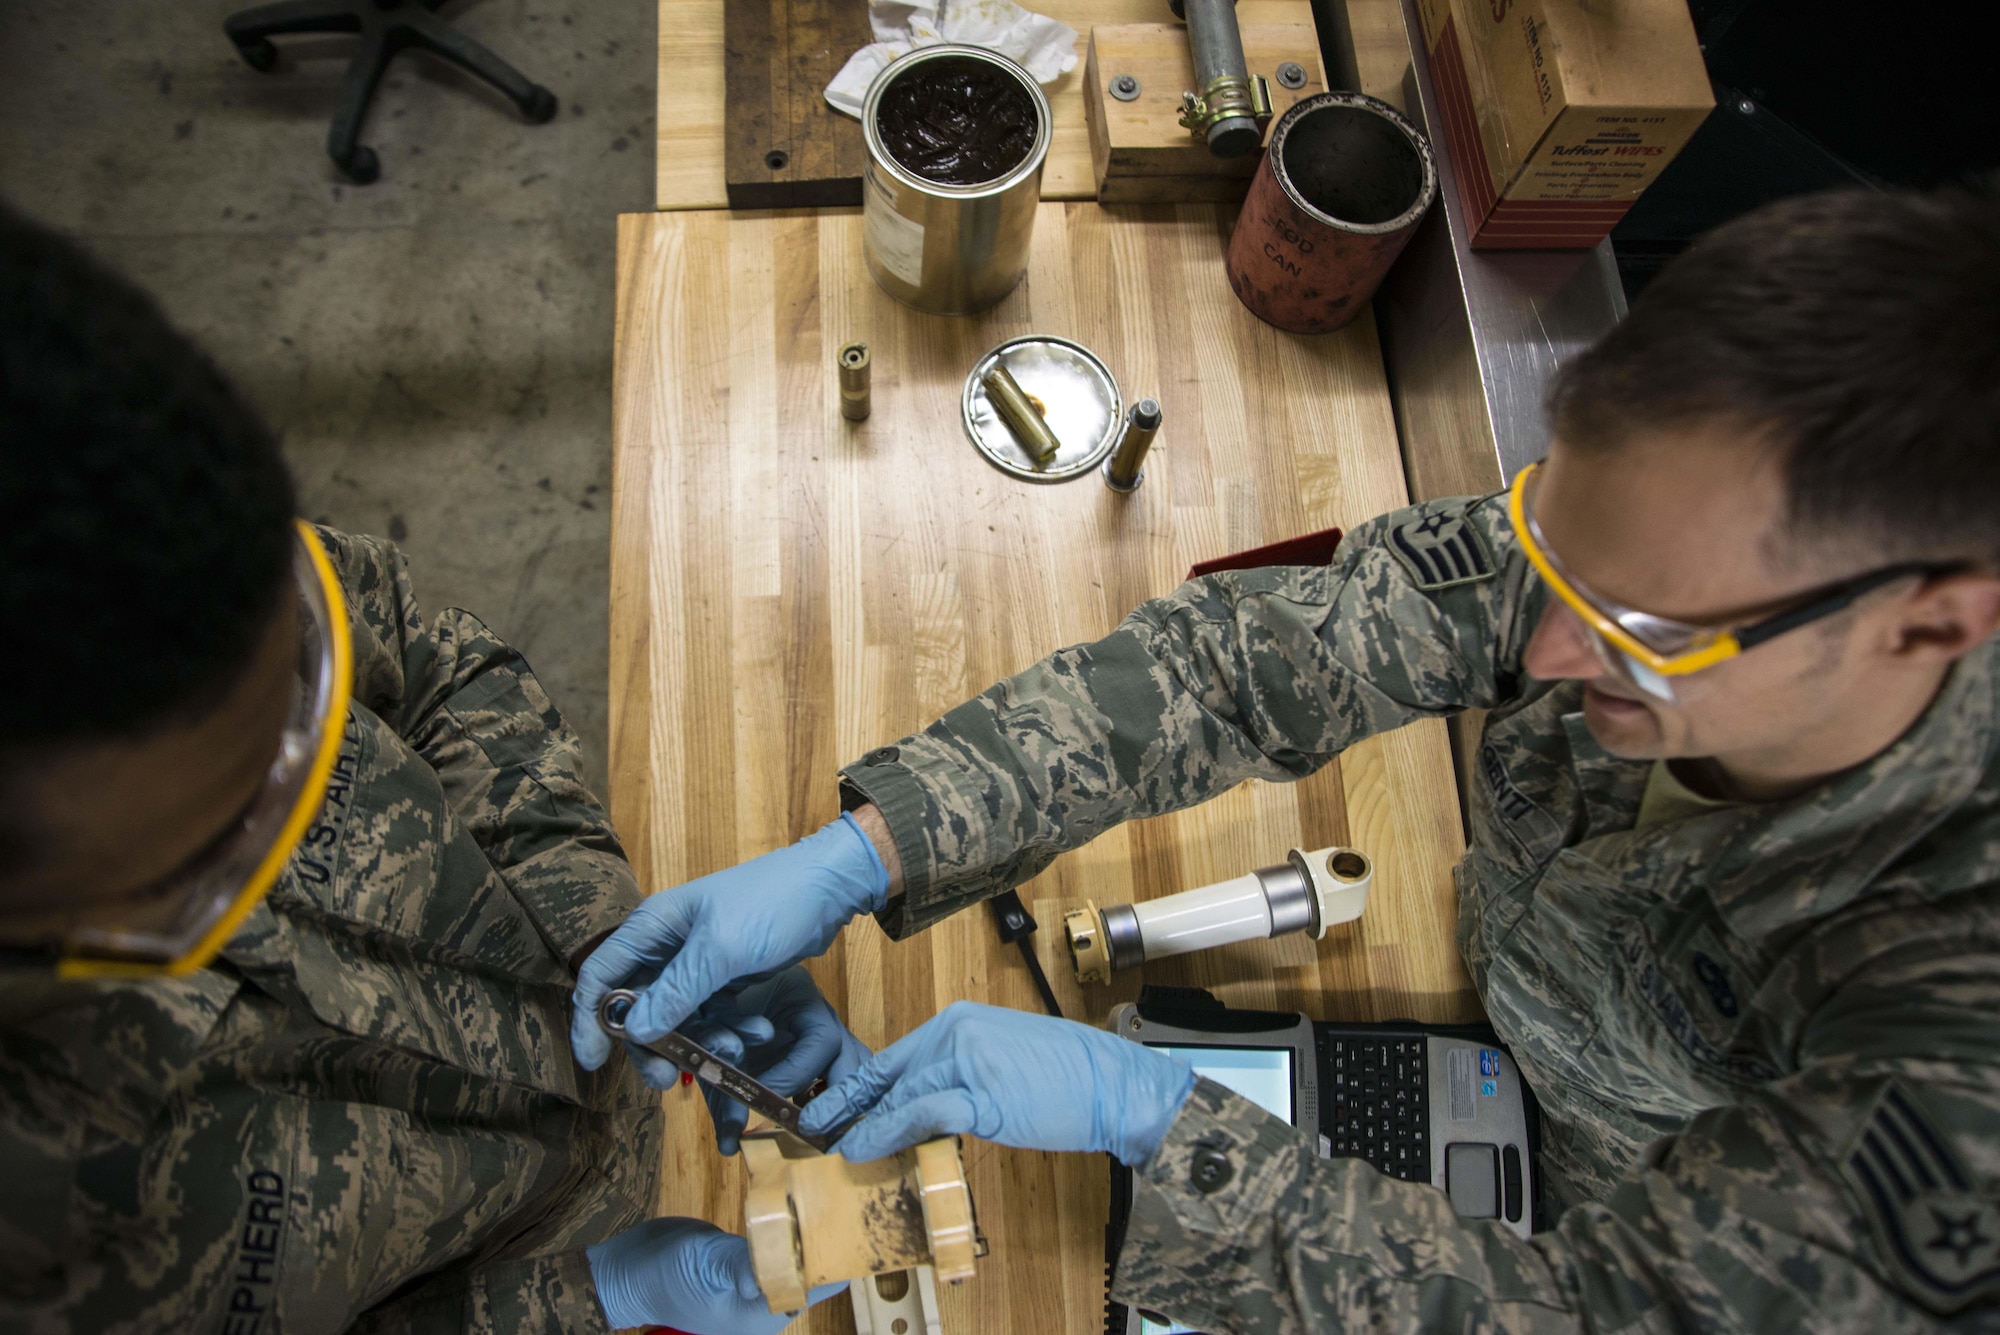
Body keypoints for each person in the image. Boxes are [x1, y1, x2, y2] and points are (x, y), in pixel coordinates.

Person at [576, 186, 2000, 1331]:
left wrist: (1155, 1120)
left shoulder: (1959, 1043)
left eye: (1642, 633)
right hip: (1510, 1005)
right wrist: (867, 848)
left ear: (1929, 621)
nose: (1552, 657)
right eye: (1548, 549)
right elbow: (1238, 663)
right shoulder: (1662, 543)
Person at [0, 204, 856, 1335]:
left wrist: (598, 926)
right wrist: (582, 1300)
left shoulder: (127, 514)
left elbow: (430, 662)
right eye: (212, 861)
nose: (292, 857)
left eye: (303, 727)